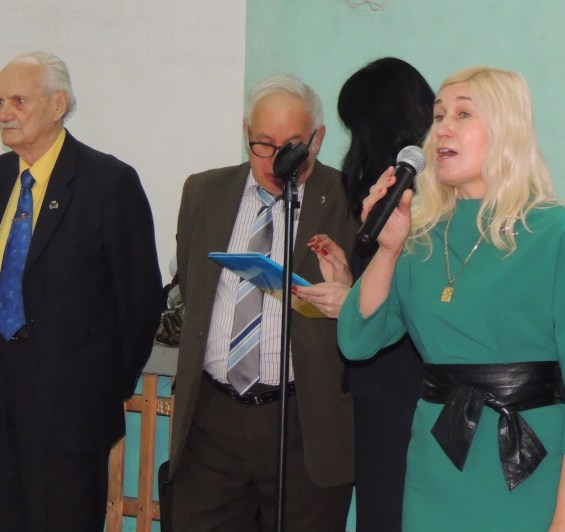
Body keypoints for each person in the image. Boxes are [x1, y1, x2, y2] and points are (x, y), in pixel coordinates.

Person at [336, 66, 565, 531]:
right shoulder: (419, 236)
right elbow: (357, 341)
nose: (443, 128)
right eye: (439, 115)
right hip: (436, 469)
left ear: (505, 130)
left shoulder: (555, 229)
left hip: (531, 468)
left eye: (463, 114)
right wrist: (388, 249)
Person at [169, 73, 357, 531]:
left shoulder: (350, 201)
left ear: (318, 139)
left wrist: (349, 294)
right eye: (263, 144)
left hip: (304, 424)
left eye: (291, 145)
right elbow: (193, 290)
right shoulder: (203, 193)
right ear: (246, 135)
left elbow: (378, 313)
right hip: (211, 422)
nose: (276, 160)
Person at [0, 52, 162, 532]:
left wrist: (101, 389)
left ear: (58, 104)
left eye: (19, 101)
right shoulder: (1, 177)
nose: (5, 113)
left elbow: (140, 301)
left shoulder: (108, 182)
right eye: (0, 101)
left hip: (69, 411)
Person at [312, 57, 434, 532]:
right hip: (381, 385)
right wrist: (350, 283)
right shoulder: (387, 192)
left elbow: (420, 301)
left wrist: (352, 304)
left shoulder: (424, 196)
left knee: (393, 514)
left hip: (404, 390)